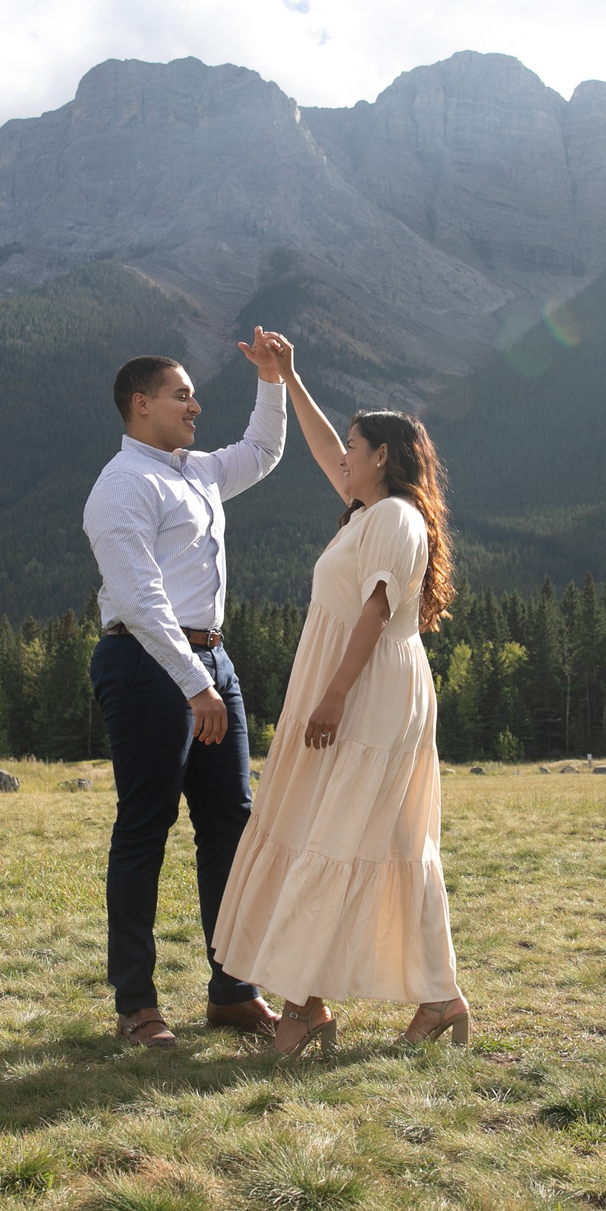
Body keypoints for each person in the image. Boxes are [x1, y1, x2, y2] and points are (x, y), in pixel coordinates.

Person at [212, 364, 469, 1055]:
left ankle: (303, 1005)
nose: (343, 459)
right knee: (378, 841)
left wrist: (332, 695)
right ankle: (435, 998)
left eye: (356, 449)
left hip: (368, 693)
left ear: (382, 458)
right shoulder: (371, 510)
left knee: (337, 835)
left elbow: (377, 609)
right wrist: (288, 379)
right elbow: (325, 450)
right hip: (360, 688)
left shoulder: (392, 516)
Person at [83, 328, 294, 1049]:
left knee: (229, 825)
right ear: (141, 405)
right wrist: (195, 683)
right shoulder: (121, 487)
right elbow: (140, 600)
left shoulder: (197, 471)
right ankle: (135, 1004)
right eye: (182, 394)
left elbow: (262, 452)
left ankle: (234, 989)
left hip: (211, 664)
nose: (195, 405)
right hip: (147, 665)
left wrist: (273, 379)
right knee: (145, 827)